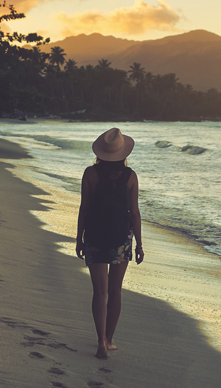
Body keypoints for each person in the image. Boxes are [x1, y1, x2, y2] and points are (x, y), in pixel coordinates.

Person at [76, 128, 144, 359]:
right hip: (121, 237)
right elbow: (134, 213)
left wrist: (79, 238)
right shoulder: (130, 176)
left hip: (94, 235)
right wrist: (139, 245)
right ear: (123, 152)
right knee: (115, 291)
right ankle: (109, 339)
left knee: (99, 292)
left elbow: (84, 208)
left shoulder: (90, 174)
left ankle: (100, 342)